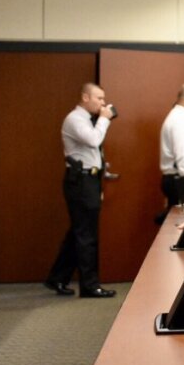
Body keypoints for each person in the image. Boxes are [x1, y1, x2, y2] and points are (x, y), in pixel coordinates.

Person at [45, 83, 117, 298]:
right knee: (86, 235)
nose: (103, 103)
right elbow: (94, 139)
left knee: (78, 232)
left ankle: (57, 277)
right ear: (85, 97)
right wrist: (105, 118)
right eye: (99, 98)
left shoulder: (87, 120)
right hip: (81, 181)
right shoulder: (75, 119)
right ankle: (89, 286)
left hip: (89, 180)